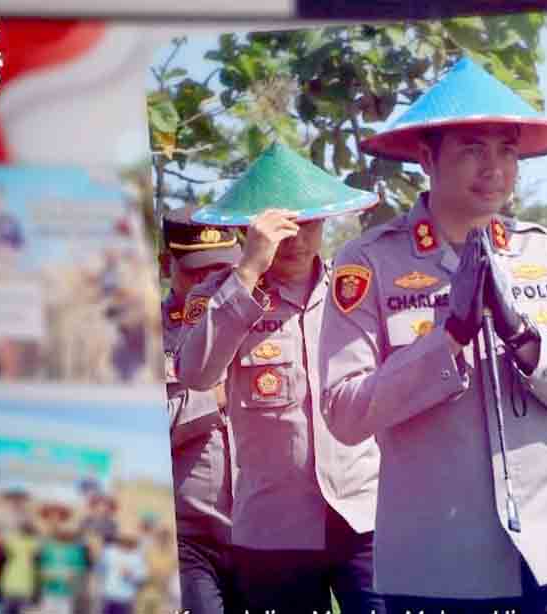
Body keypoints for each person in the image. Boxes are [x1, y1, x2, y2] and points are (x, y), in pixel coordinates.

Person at [320, 57, 547, 614]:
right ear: (426, 158)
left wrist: (527, 341)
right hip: (436, 566)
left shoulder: (545, 252)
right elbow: (344, 412)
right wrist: (447, 341)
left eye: (507, 150)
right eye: (473, 150)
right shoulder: (369, 264)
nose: (495, 168)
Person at [176, 142, 383, 614]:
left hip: (364, 515)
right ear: (250, 231)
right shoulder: (220, 295)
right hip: (274, 530)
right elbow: (196, 373)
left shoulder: (354, 291)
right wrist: (248, 269)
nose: (296, 239)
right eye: (282, 227)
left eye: (307, 224)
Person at [161, 207, 239, 614]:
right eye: (196, 271)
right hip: (190, 538)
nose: (209, 282)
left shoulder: (259, 317)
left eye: (221, 269)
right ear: (166, 265)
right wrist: (215, 397)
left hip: (263, 534)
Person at [98, 532, 147, 614]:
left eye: (128, 542)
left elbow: (142, 577)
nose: (124, 545)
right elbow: (100, 568)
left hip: (125, 598)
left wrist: (131, 575)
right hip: (109, 595)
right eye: (122, 542)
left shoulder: (137, 558)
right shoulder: (110, 552)